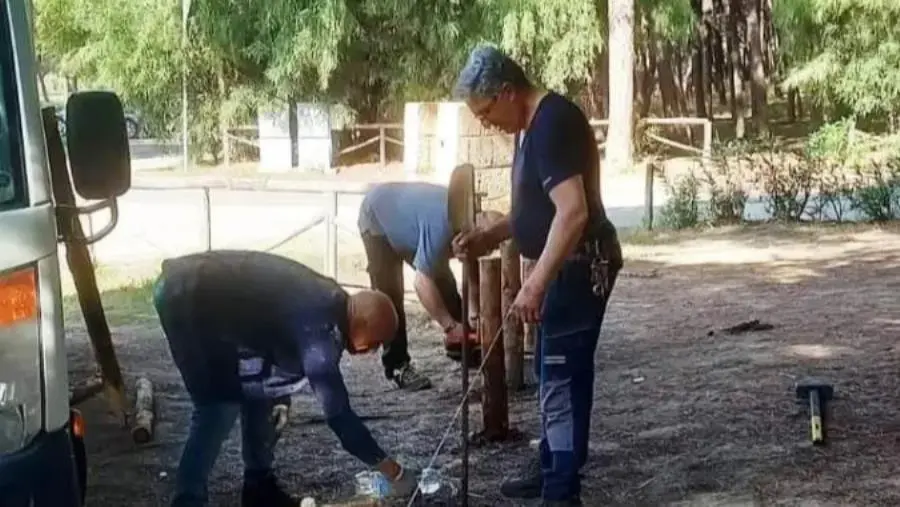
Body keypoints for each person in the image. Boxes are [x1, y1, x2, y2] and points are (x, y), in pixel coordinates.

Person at [451, 46, 624, 507]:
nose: (487, 124)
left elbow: (572, 214)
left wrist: (534, 283)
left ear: (507, 92)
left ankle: (560, 492)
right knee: (556, 379)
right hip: (564, 269)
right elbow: (538, 209)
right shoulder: (529, 128)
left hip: (578, 268)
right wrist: (496, 232)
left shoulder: (552, 124)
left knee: (560, 382)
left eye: (486, 112)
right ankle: (553, 463)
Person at [152, 250, 419, 507]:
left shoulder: (331, 301)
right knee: (218, 406)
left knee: (269, 393)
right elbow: (339, 417)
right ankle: (188, 500)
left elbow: (274, 367)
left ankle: (259, 488)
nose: (370, 352)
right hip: (186, 294)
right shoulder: (322, 330)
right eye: (374, 343)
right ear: (360, 324)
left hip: (207, 292)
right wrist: (392, 471)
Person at [358, 181, 497, 390]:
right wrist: (449, 325)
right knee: (389, 298)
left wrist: (474, 315)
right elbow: (421, 282)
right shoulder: (442, 228)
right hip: (377, 217)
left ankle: (464, 348)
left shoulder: (467, 219)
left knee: (445, 285)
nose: (485, 251)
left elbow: (471, 268)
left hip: (409, 220)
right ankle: (397, 366)